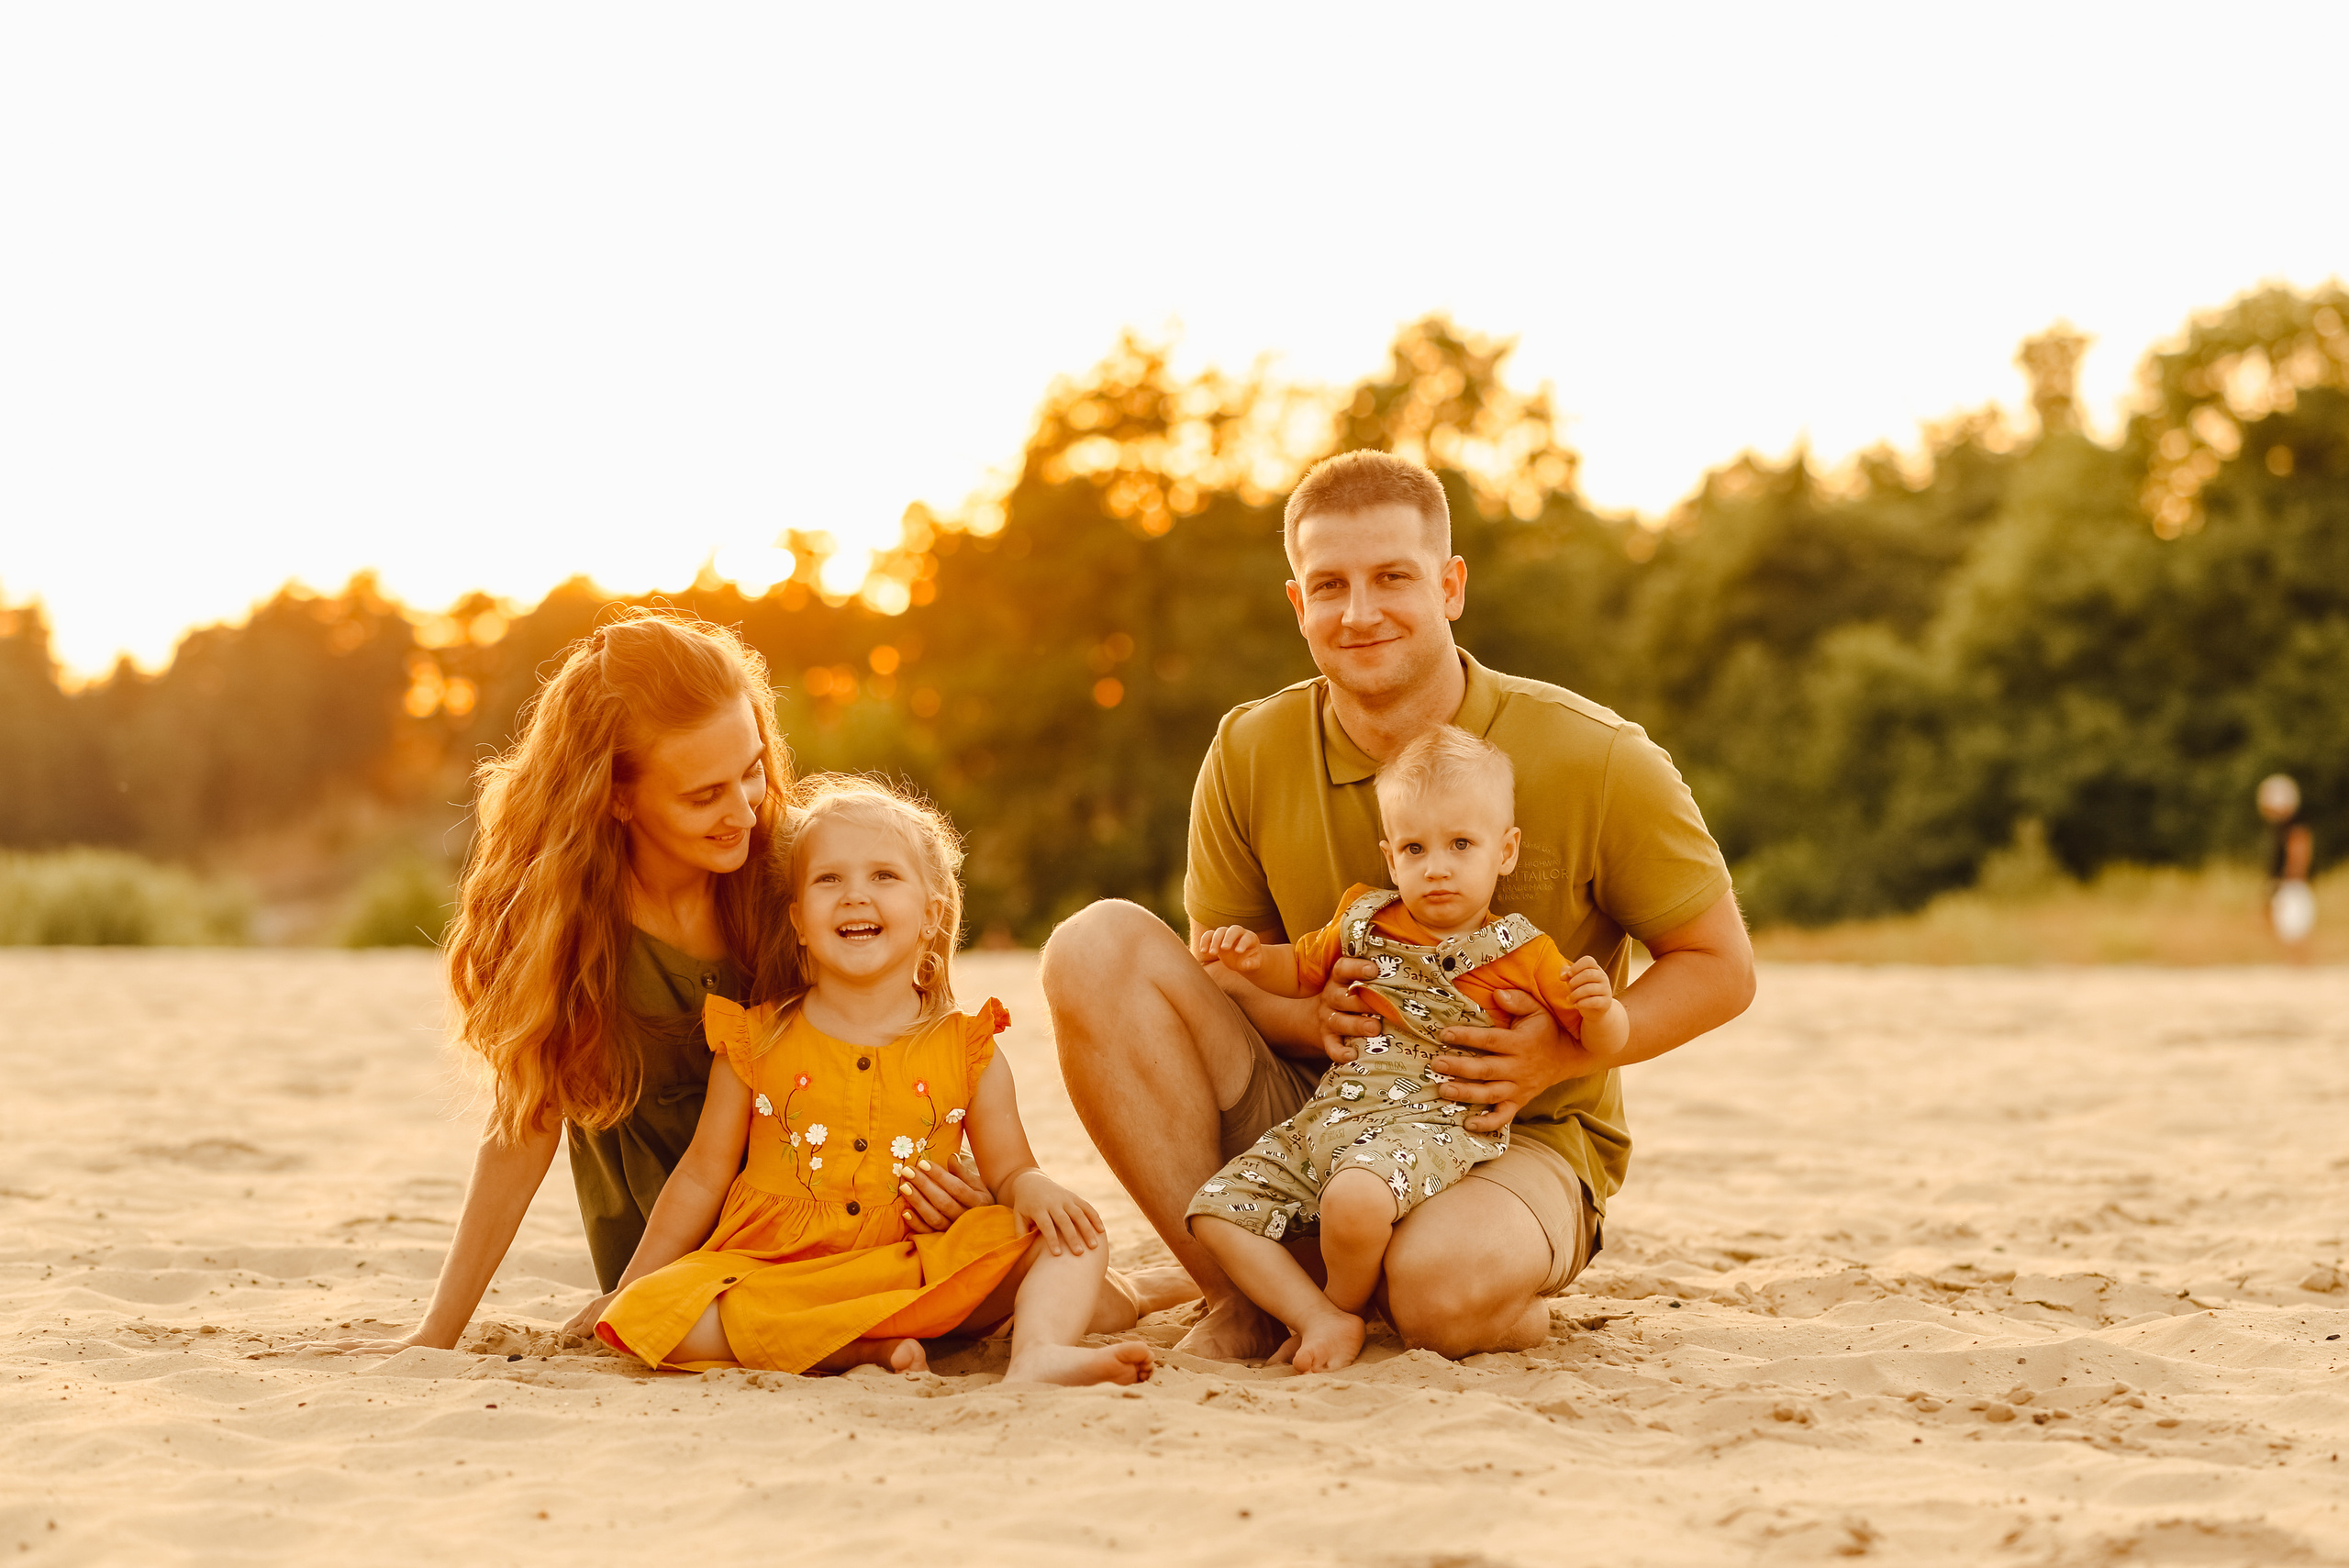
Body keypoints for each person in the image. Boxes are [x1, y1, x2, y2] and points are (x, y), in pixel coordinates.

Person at [1043, 449, 1756, 1362]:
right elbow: (1226, 982)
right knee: (1093, 943)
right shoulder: (1249, 748)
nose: (1359, 612)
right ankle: (1243, 1296)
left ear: (1450, 586)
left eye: (1392, 577)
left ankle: (1398, 1277)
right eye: (1329, 585)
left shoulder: (1598, 757)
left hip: (1510, 1131)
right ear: (1298, 603)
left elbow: (1720, 966)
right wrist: (1304, 1015)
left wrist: (1558, 1052)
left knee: (1437, 1295)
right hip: (1321, 1111)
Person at [308, 609, 1083, 1358]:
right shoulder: (563, 923)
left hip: (850, 1215)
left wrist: (972, 1183)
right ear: (616, 796)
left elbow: (916, 1042)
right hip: (673, 1253)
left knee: (1048, 1266)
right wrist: (437, 1330)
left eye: (751, 772)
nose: (743, 811)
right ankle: (862, 1339)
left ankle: (879, 1336)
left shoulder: (790, 874)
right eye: (703, 794)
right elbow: (524, 1123)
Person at [583, 775, 1156, 1384]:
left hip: (913, 1265)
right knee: (648, 1311)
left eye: (884, 875)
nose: (855, 895)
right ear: (798, 920)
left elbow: (1010, 1169)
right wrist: (630, 1285)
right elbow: (702, 1174)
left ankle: (1039, 1352)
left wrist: (1034, 1187)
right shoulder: (755, 1040)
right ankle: (856, 1349)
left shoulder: (967, 1049)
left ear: (931, 914)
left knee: (1076, 1235)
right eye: (829, 879)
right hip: (778, 1273)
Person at [1187, 724, 1626, 1372]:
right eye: (1415, 848)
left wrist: (1603, 1010)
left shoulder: (1524, 952)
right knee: (1214, 1213)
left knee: (1354, 1201)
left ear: (1505, 851)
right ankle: (1318, 1316)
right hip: (1335, 1115)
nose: (1437, 867)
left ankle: (1341, 1309)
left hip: (1433, 1122)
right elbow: (1300, 969)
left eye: (1461, 844)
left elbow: (1602, 1041)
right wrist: (1253, 960)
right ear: (1391, 859)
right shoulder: (1363, 918)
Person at [2259, 773, 2318, 957]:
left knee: (2294, 934)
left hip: (2291, 885)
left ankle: (2300, 966)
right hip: (2287, 885)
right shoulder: (2283, 827)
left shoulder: (2295, 825)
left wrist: (2290, 883)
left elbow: (2299, 854)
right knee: (2287, 935)